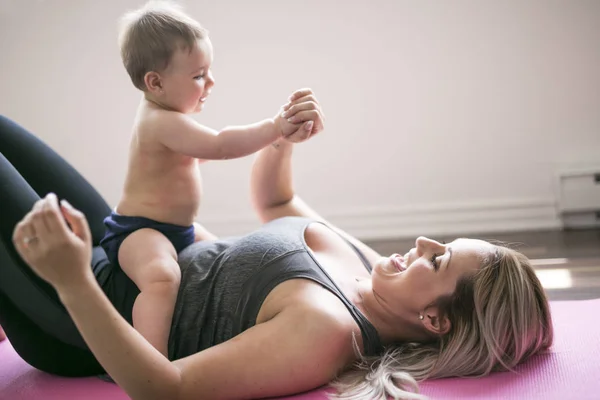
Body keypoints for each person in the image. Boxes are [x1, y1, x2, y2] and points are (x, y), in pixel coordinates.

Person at [0, 91, 553, 400]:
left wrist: (70, 278)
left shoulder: (325, 331)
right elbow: (276, 200)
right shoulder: (365, 266)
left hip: (80, 315)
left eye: (439, 258)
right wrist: (285, 141)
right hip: (134, 248)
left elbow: (164, 388)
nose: (423, 242)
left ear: (436, 321)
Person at [101, 1, 313, 357]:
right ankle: (149, 360)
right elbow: (221, 145)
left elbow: (199, 152)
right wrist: (275, 127)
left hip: (179, 228)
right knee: (161, 279)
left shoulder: (167, 117)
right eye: (199, 75)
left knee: (227, 256)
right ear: (155, 82)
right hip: (138, 230)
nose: (210, 82)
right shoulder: (160, 121)